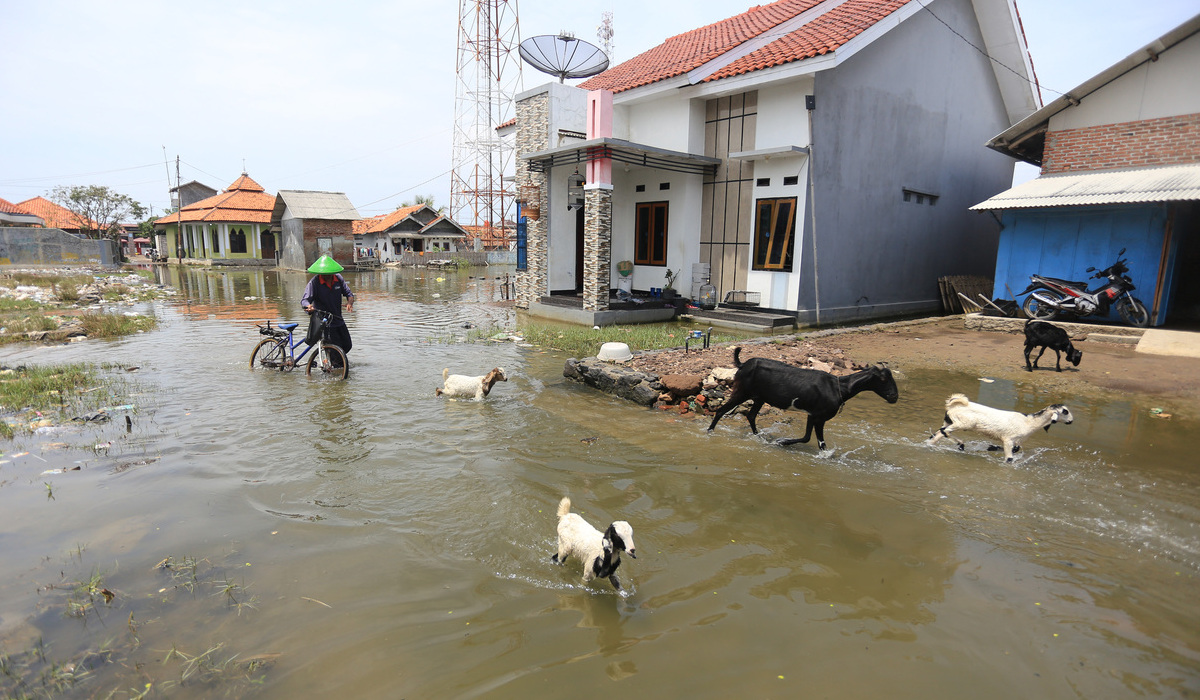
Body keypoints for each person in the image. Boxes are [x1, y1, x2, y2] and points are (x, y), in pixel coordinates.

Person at [301, 255, 355, 357]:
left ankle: (334, 361)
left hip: (338, 319)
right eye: (324, 274)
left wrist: (349, 303)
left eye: (329, 274)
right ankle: (334, 367)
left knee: (347, 345)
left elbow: (349, 294)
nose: (327, 276)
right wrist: (309, 307)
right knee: (335, 351)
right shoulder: (314, 283)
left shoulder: (338, 279)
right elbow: (305, 300)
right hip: (324, 322)